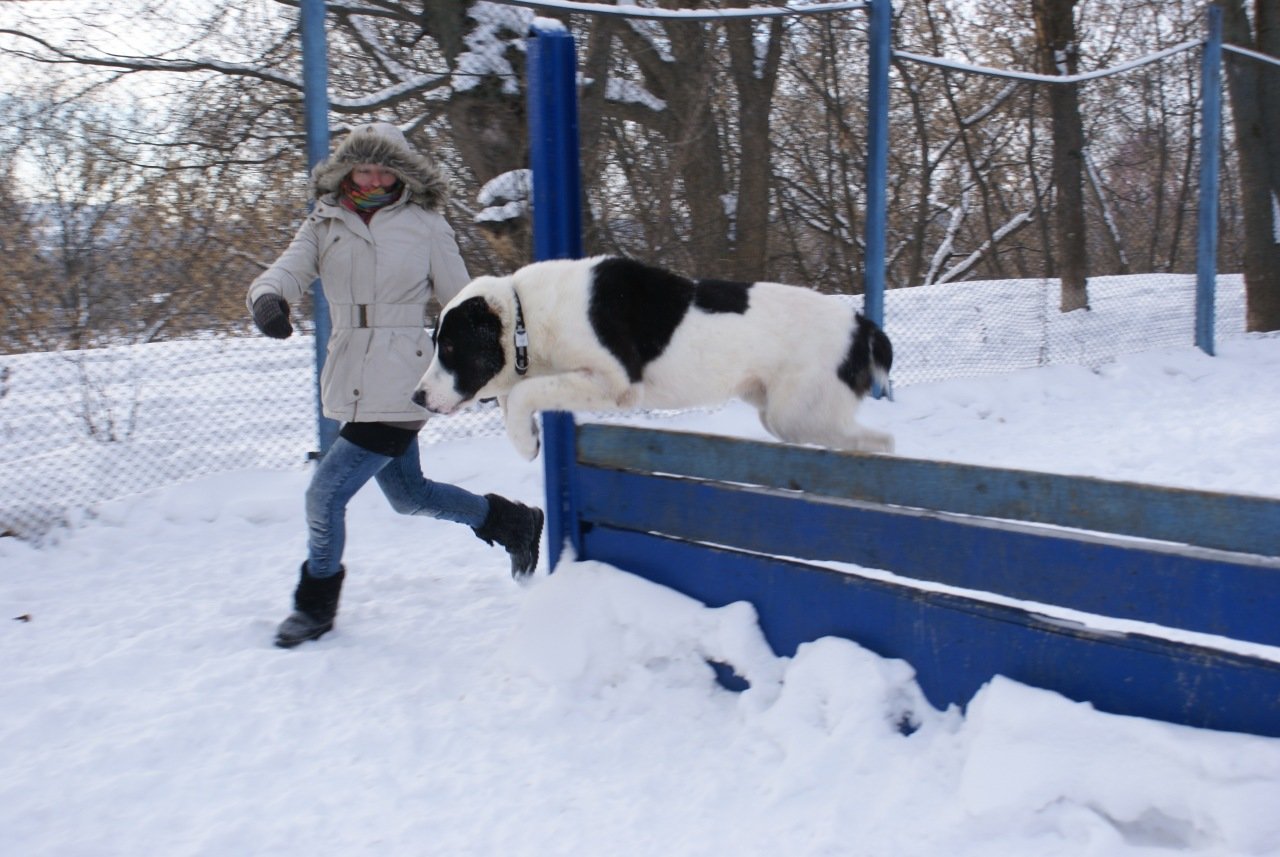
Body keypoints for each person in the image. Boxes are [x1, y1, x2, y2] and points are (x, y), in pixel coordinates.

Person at [247, 122, 544, 649]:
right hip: (350, 373)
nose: (375, 175)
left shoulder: (426, 225)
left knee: (324, 496)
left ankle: (314, 606)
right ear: (348, 169)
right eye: (365, 165)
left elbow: (463, 300)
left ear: (402, 171)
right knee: (409, 495)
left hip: (404, 376)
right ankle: (511, 522)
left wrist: (483, 364)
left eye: (386, 166)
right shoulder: (324, 223)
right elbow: (285, 272)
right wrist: (269, 300)